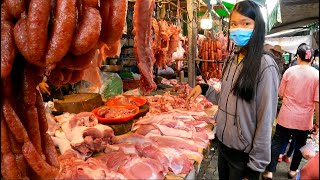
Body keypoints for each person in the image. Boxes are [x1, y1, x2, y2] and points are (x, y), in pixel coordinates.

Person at [186, 1, 280, 179]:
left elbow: (265, 121)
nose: (238, 29)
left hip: (244, 158)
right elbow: (227, 99)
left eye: (246, 23)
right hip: (224, 147)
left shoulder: (265, 65)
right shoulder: (232, 59)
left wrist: (255, 168)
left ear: (257, 26)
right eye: (234, 24)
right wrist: (205, 89)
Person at [263, 44, 319, 179]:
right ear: (311, 59)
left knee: (277, 141)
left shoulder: (289, 71)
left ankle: (269, 171)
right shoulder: (317, 75)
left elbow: (281, 93)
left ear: (297, 57)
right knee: (300, 144)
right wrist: (317, 123)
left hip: (286, 115)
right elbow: (317, 102)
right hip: (304, 119)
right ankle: (293, 171)